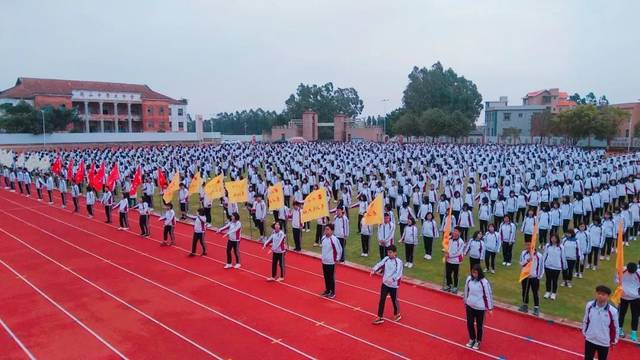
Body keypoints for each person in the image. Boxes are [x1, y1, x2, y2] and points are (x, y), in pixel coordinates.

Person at [582, 285, 619, 360]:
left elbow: (615, 327)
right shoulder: (589, 305)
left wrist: (614, 340)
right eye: (598, 293)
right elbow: (585, 320)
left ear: (608, 296)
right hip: (590, 339)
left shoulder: (613, 311)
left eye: (603, 294)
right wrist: (585, 332)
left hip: (604, 342)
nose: (600, 296)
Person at [371, 245, 403, 325]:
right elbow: (379, 264)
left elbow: (398, 273)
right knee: (382, 299)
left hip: (393, 285)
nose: (388, 254)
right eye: (388, 252)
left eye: (390, 252)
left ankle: (397, 313)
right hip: (385, 284)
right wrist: (374, 269)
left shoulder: (399, 262)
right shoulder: (386, 259)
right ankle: (380, 317)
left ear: (395, 253)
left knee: (394, 300)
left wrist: (392, 280)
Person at [463, 265, 493, 350]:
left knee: (479, 326)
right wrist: (465, 301)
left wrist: (490, 308)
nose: (474, 274)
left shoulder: (484, 282)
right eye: (473, 272)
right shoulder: (469, 279)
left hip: (480, 308)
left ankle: (478, 341)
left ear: (479, 272)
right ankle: (472, 338)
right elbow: (466, 291)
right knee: (469, 323)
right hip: (470, 306)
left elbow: (488, 295)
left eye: (475, 272)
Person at [518, 242, 544, 316]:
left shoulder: (539, 256)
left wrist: (538, 277)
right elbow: (521, 263)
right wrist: (527, 260)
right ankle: (525, 305)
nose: (528, 247)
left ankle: (536, 308)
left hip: (534, 277)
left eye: (530, 246)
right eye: (527, 245)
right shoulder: (524, 253)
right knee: (525, 291)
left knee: (535, 292)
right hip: (525, 276)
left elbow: (541, 267)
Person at [617, 262, 640, 342]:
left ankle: (633, 334)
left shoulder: (638, 273)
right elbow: (617, 280)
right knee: (622, 313)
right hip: (623, 296)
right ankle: (619, 330)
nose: (631, 273)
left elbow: (616, 280)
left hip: (635, 297)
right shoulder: (622, 270)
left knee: (635, 315)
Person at [320, 224, 342, 298]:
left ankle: (333, 292)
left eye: (328, 229)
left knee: (331, 277)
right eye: (325, 229)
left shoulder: (334, 239)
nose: (326, 231)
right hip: (324, 261)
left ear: (332, 231)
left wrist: (337, 259)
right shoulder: (323, 238)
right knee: (326, 277)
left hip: (331, 262)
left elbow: (339, 250)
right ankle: (327, 290)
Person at [543, 234, 566, 300]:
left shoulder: (561, 247)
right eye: (552, 238)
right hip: (548, 266)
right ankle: (547, 292)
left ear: (557, 239)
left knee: (555, 280)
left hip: (557, 267)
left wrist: (564, 266)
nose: (553, 240)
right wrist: (543, 264)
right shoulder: (547, 245)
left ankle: (553, 293)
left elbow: (563, 257)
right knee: (548, 280)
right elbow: (545, 255)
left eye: (554, 238)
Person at [444, 227, 465, 293]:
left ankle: (455, 287)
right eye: (454, 231)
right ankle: (449, 285)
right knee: (448, 273)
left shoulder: (461, 242)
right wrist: (445, 251)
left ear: (459, 233)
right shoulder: (449, 238)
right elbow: (446, 246)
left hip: (456, 261)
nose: (455, 232)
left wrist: (449, 255)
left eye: (456, 231)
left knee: (455, 275)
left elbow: (458, 253)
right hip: (448, 260)